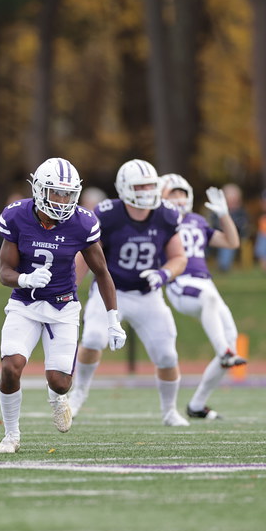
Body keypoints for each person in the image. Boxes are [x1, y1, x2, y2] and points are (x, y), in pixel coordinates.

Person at [0, 158, 125, 453]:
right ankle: (11, 435)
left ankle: (57, 398)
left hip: (63, 307)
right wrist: (25, 279)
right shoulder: (16, 216)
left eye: (68, 194)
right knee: (11, 367)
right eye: (56, 193)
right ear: (39, 190)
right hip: (25, 304)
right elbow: (4, 273)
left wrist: (112, 319)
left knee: (60, 382)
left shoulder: (83, 222)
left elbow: (102, 272)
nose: (63, 200)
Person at [68, 159, 190, 426]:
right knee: (92, 338)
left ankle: (169, 410)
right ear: (124, 188)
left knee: (167, 354)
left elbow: (178, 257)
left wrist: (164, 273)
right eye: (140, 185)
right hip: (111, 291)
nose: (147, 190)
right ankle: (79, 393)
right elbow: (85, 256)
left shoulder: (166, 214)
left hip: (147, 293)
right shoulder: (107, 213)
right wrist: (70, 290)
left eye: (151, 184)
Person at [158, 174, 245, 421]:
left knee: (232, 338)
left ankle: (197, 404)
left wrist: (224, 214)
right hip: (180, 282)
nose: (178, 198)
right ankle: (223, 351)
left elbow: (232, 241)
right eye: (172, 193)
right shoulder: (159, 221)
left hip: (206, 283)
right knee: (211, 308)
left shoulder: (196, 220)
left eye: (181, 193)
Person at [215, 183, 249, 273]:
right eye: (229, 200)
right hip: (219, 236)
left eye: (234, 200)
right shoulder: (217, 211)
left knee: (229, 241)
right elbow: (213, 225)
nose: (232, 203)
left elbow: (244, 226)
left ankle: (224, 266)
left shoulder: (241, 212)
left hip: (237, 237)